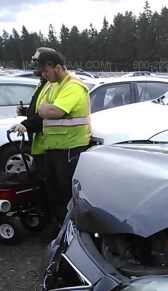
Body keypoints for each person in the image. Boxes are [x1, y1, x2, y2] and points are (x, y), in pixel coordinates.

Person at [34, 50, 91, 226]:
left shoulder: (73, 86)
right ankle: (59, 227)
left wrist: (46, 109)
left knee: (66, 193)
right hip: (53, 147)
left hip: (70, 149)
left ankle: (70, 231)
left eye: (46, 71)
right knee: (53, 191)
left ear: (57, 67)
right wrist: (44, 109)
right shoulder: (53, 84)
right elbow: (40, 110)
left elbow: (53, 111)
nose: (44, 75)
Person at [9, 47, 58, 178]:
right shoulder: (43, 83)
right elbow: (39, 107)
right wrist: (27, 111)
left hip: (47, 146)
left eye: (36, 61)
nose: (33, 65)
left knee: (47, 185)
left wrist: (27, 124)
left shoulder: (52, 84)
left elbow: (50, 112)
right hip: (39, 144)